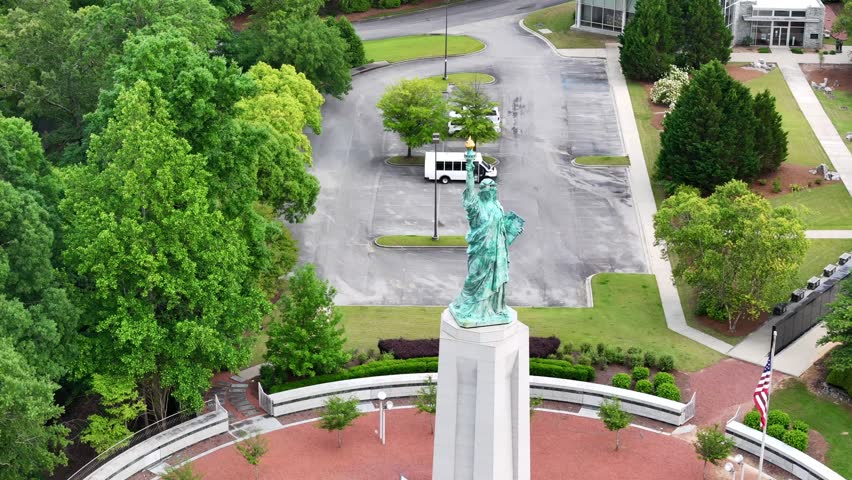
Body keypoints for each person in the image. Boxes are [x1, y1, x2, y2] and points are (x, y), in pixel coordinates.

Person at [449, 138, 524, 327]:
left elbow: (501, 229)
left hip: (497, 253)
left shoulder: (498, 206)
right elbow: (469, 190)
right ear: (481, 190)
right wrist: (469, 165)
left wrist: (512, 230)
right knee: (474, 279)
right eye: (485, 186)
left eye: (492, 186)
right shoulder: (476, 207)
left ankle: (493, 309)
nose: (489, 189)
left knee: (495, 281)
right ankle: (470, 308)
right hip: (481, 251)